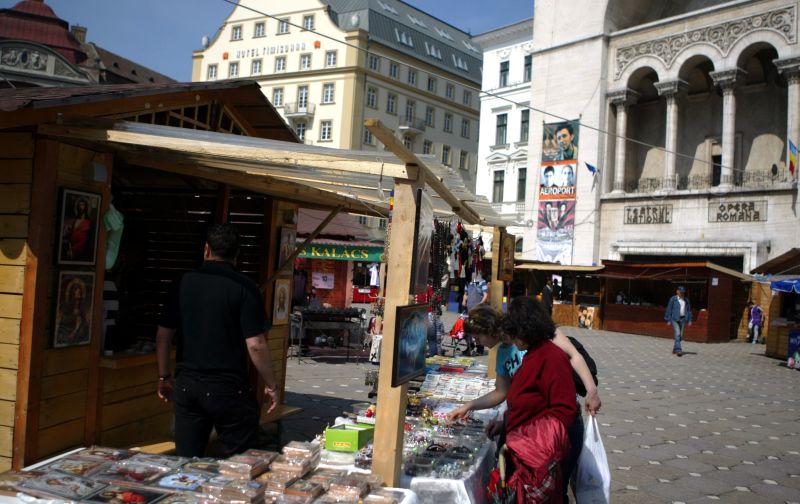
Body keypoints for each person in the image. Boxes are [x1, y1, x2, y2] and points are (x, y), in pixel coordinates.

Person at [448, 302, 601, 503]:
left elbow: (562, 404)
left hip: (546, 442)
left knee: (551, 492)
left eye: (478, 337)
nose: (478, 343)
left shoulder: (549, 351)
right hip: (530, 437)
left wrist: (591, 391)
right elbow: (512, 395)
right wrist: (476, 409)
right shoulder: (522, 352)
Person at [155, 223, 278, 457]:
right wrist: (271, 384)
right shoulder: (245, 287)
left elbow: (163, 337)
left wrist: (164, 376)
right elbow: (255, 344)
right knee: (240, 466)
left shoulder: (183, 283)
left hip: (188, 384)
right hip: (228, 387)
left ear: (206, 249)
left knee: (187, 462)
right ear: (237, 255)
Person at [501, 296, 578, 503]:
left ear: (527, 330)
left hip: (537, 459)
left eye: (515, 333)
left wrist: (525, 442)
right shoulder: (533, 353)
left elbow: (564, 410)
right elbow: (528, 401)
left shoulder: (552, 357)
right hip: (523, 454)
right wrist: (504, 421)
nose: (512, 339)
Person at [462, 272, 488, 355]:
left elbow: (485, 295)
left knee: (478, 330)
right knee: (467, 329)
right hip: (469, 310)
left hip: (478, 311)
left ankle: (480, 349)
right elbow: (466, 294)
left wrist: (480, 303)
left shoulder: (482, 283)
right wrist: (464, 300)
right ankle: (470, 346)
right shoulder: (469, 283)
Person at [62, 196, 94, 262]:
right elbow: (72, 232)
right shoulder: (76, 220)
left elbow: (84, 240)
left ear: (86, 207)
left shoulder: (88, 222)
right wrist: (67, 231)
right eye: (80, 205)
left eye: (83, 205)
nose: (81, 207)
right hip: (70, 245)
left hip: (78, 249)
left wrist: (73, 249)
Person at [664, 285, 692, 357]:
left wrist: (690, 320)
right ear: (677, 292)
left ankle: (675, 349)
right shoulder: (673, 299)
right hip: (674, 319)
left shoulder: (686, 300)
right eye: (681, 292)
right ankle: (679, 350)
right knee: (678, 333)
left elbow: (689, 310)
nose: (682, 294)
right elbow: (669, 309)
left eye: (683, 292)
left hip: (683, 319)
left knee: (680, 336)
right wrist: (668, 319)